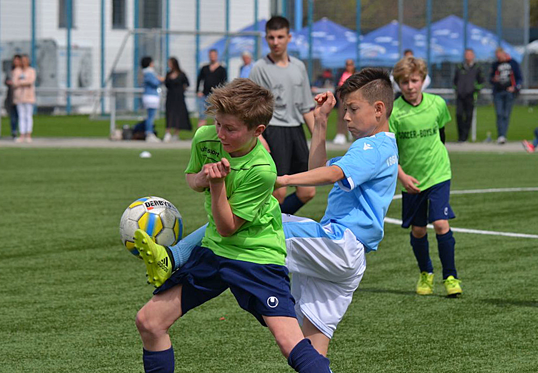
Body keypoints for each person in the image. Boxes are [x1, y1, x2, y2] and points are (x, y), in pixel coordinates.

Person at [138, 68, 399, 357]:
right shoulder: (382, 144)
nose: (346, 116)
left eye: (352, 109)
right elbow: (318, 169)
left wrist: (284, 179)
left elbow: (333, 173)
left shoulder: (370, 146)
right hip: (349, 261)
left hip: (339, 242)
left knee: (263, 223)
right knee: (312, 346)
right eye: (345, 109)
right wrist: (321, 120)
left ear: (378, 109)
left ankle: (174, 256)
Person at [132, 78, 332, 373]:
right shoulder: (206, 136)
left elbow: (228, 226)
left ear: (257, 131)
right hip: (214, 250)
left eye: (231, 129)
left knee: (289, 341)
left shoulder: (262, 170)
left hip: (256, 257)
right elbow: (192, 178)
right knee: (149, 322)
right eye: (219, 124)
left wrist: (217, 185)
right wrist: (203, 178)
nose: (221, 134)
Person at [389, 56, 463, 297]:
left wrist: (438, 162)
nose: (410, 86)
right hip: (411, 179)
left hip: (439, 173)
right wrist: (402, 176)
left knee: (441, 224)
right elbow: (390, 151)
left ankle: (451, 276)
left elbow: (441, 136)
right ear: (398, 84)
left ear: (422, 80)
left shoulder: (437, 104)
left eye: (414, 80)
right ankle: (425, 273)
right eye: (404, 82)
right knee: (419, 230)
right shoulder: (394, 112)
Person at [249, 16, 316, 215]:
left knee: (307, 191)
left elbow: (306, 107)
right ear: (266, 39)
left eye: (280, 37)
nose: (275, 42)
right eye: (271, 38)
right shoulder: (259, 68)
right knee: (277, 193)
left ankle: (276, 223)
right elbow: (251, 109)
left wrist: (318, 137)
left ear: (289, 37)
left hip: (297, 132)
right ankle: (269, 232)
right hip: (273, 132)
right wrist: (259, 137)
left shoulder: (299, 67)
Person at [490, 47, 523, 144]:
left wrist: (515, 87)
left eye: (500, 56)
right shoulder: (495, 64)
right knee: (499, 114)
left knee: (506, 114)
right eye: (497, 57)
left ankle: (503, 134)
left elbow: (519, 78)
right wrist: (494, 80)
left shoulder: (513, 63)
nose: (499, 58)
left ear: (504, 54)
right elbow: (490, 78)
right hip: (498, 92)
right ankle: (501, 135)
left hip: (509, 92)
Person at [453, 48, 485, 142]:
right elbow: (455, 80)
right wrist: (457, 89)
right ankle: (460, 136)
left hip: (470, 96)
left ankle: (465, 136)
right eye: (466, 54)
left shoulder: (477, 68)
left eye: (469, 54)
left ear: (473, 56)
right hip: (460, 95)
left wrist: (475, 89)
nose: (468, 56)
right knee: (458, 115)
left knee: (468, 116)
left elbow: (482, 81)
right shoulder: (459, 67)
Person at [196, 49, 227, 127]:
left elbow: (224, 83)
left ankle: (215, 135)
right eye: (211, 55)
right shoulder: (204, 68)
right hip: (205, 94)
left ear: (217, 56)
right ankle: (201, 136)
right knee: (202, 116)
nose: (212, 57)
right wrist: (198, 91)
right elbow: (199, 79)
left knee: (217, 117)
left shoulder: (222, 69)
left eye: (214, 55)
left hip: (216, 96)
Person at [164, 57, 191, 142]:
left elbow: (187, 84)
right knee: (169, 114)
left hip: (179, 97)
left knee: (178, 115)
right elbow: (166, 84)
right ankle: (167, 133)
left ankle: (176, 133)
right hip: (170, 97)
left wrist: (182, 90)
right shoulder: (168, 74)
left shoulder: (181, 74)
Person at [12, 54, 36, 143]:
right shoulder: (17, 70)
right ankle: (22, 134)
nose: (24, 62)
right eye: (22, 60)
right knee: (21, 116)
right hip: (19, 97)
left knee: (28, 116)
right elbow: (14, 82)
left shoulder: (31, 70)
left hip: (29, 96)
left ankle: (28, 134)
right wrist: (24, 82)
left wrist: (21, 81)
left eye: (25, 60)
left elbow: (31, 81)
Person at [141, 56, 165, 143]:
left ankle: (150, 133)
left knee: (151, 116)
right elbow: (155, 83)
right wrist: (160, 79)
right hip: (150, 96)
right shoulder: (148, 73)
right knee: (150, 116)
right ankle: (149, 133)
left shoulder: (148, 73)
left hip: (151, 96)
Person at [333, 59, 356, 145]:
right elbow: (338, 86)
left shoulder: (355, 75)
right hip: (342, 99)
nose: (349, 66)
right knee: (341, 116)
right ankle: (340, 134)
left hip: (353, 99)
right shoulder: (341, 74)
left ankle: (351, 134)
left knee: (352, 117)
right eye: (347, 64)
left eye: (350, 64)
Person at [3, 54, 22, 139]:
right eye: (15, 60)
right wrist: (8, 82)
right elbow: (6, 81)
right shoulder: (10, 71)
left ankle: (23, 133)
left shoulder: (23, 70)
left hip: (21, 96)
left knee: (21, 115)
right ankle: (14, 132)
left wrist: (15, 83)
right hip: (11, 96)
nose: (16, 62)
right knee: (13, 115)